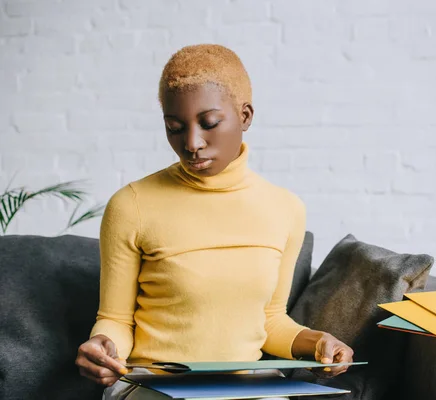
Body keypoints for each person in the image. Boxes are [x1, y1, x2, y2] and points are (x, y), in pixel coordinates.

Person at [74, 44, 354, 399]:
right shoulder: (132, 205)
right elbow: (116, 319)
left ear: (246, 116)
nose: (191, 143)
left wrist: (318, 343)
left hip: (246, 387)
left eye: (209, 123)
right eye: (174, 128)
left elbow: (269, 320)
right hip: (154, 383)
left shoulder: (285, 209)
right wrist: (102, 346)